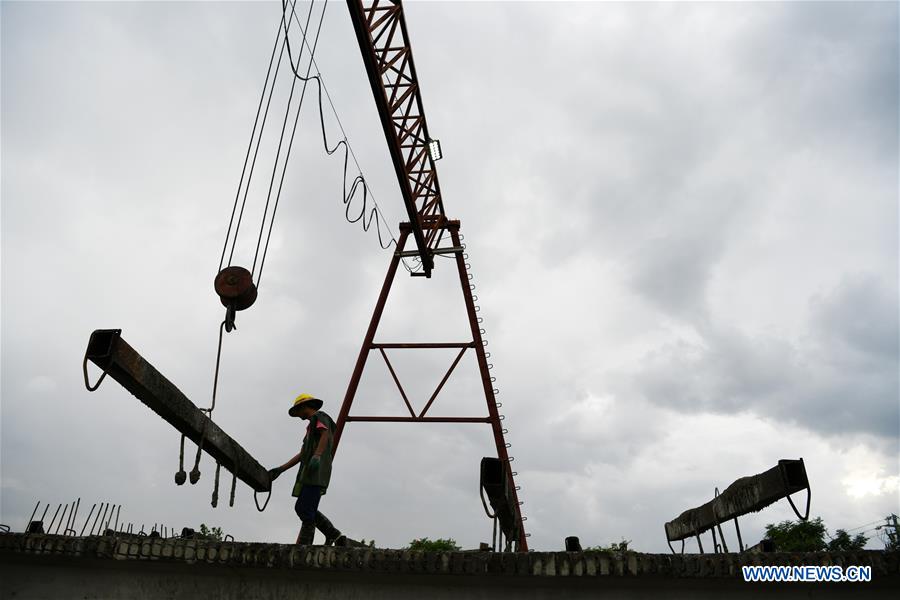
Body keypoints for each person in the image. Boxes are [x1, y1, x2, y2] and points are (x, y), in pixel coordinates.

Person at [268, 393, 346, 546]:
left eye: (298, 411)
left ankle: (305, 545)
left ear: (304, 406)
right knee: (305, 507)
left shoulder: (320, 416)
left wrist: (317, 455)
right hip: (311, 472)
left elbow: (324, 434)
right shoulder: (311, 428)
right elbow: (303, 453)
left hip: (317, 471)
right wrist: (281, 469)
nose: (297, 415)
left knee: (304, 508)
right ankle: (336, 536)